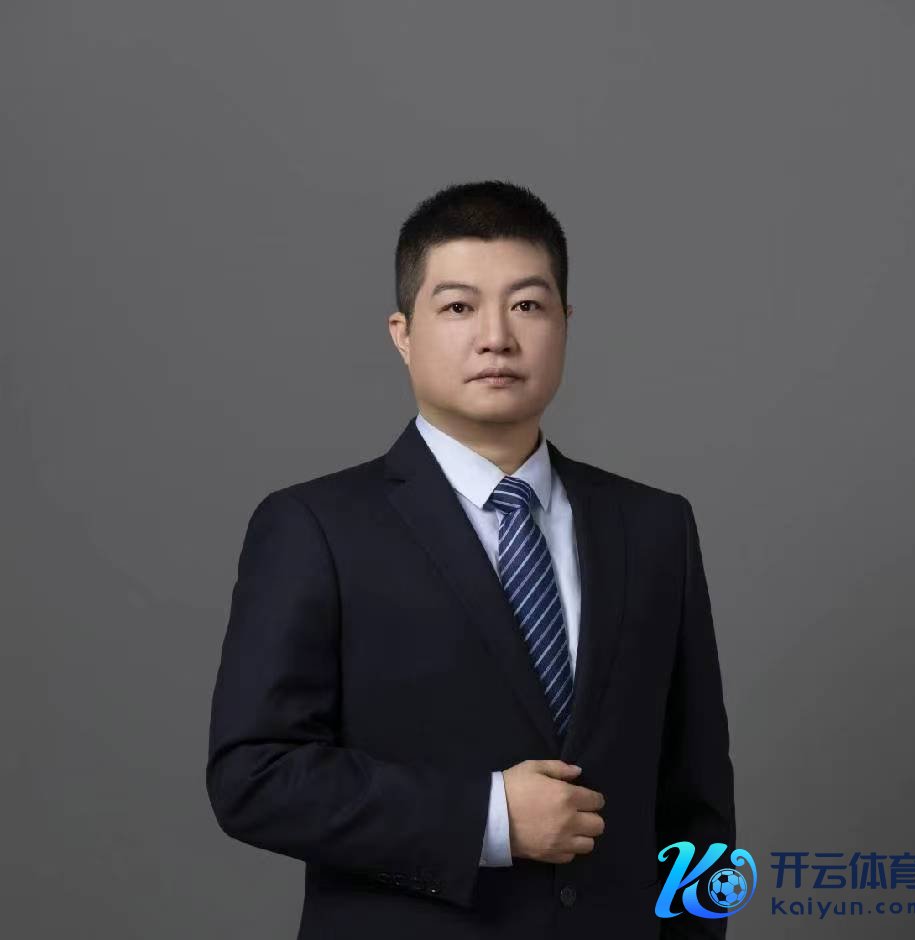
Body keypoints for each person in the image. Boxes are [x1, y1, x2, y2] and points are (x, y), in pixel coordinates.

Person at [206, 180, 736, 939]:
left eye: (527, 305)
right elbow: (253, 777)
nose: (497, 337)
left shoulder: (655, 527)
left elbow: (696, 802)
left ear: (565, 324)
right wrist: (489, 817)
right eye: (458, 307)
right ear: (402, 332)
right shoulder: (315, 528)